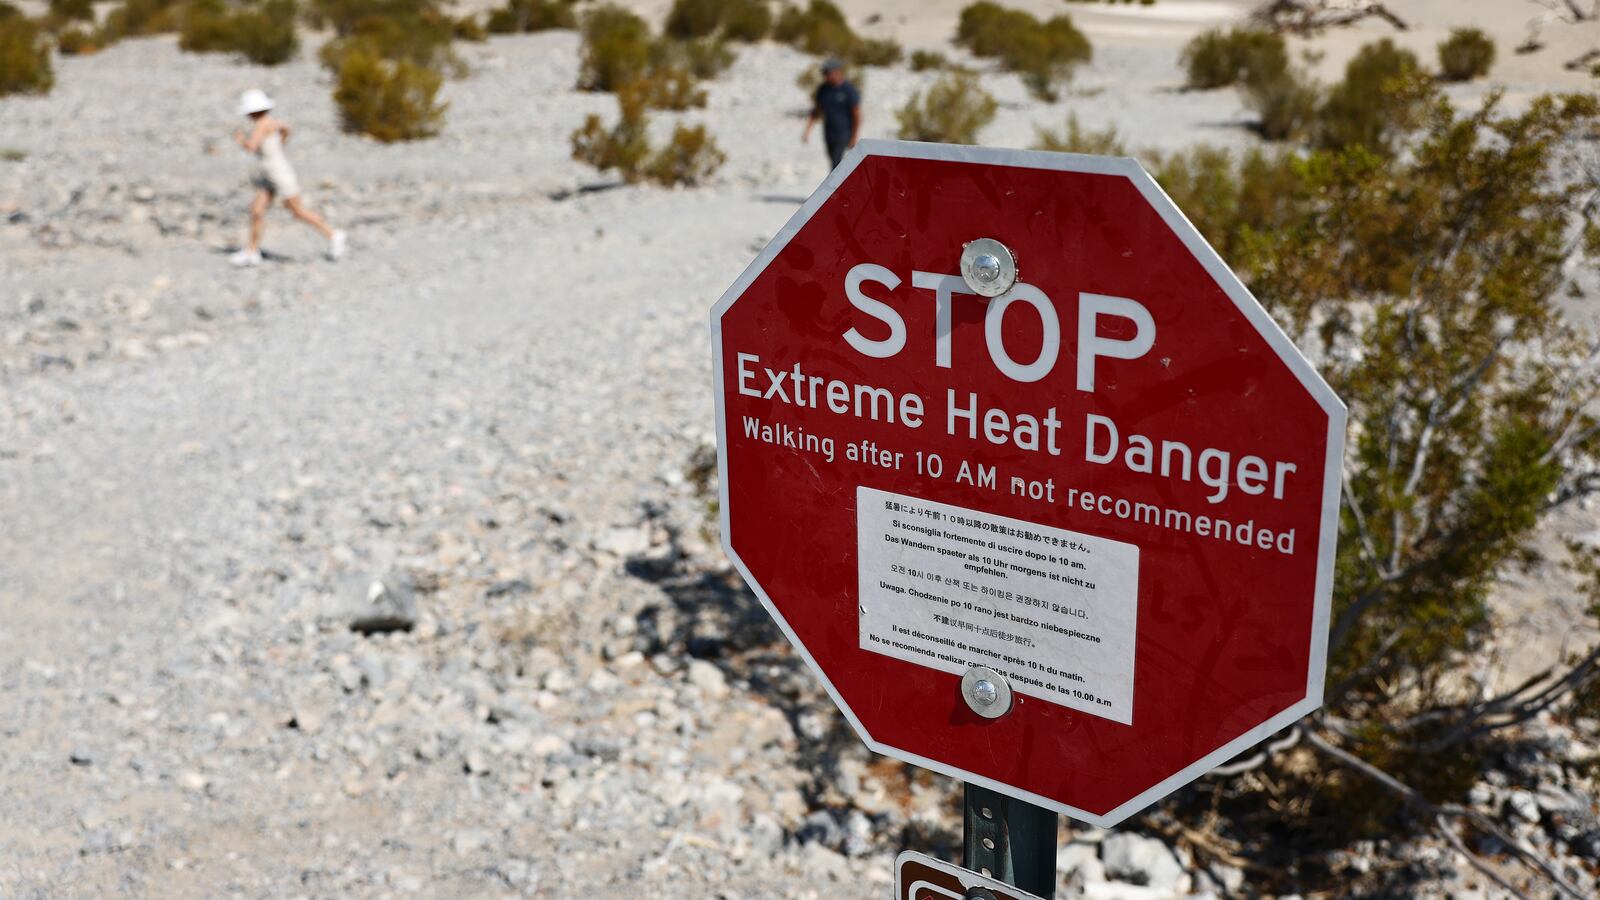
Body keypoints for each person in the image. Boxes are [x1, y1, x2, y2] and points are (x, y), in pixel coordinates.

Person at [230, 89, 346, 267]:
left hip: (278, 174)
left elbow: (252, 146)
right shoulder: (271, 122)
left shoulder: (262, 124)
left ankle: (333, 235)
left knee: (297, 210)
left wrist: (240, 140)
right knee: (257, 210)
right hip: (268, 174)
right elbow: (287, 130)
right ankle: (252, 251)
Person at [802, 59, 860, 170]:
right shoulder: (823, 89)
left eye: (828, 73)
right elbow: (816, 111)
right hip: (828, 132)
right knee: (833, 161)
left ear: (837, 72)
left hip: (843, 133)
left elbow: (856, 115)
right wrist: (807, 131)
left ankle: (835, 186)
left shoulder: (849, 90)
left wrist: (854, 137)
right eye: (824, 73)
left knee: (836, 163)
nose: (826, 76)